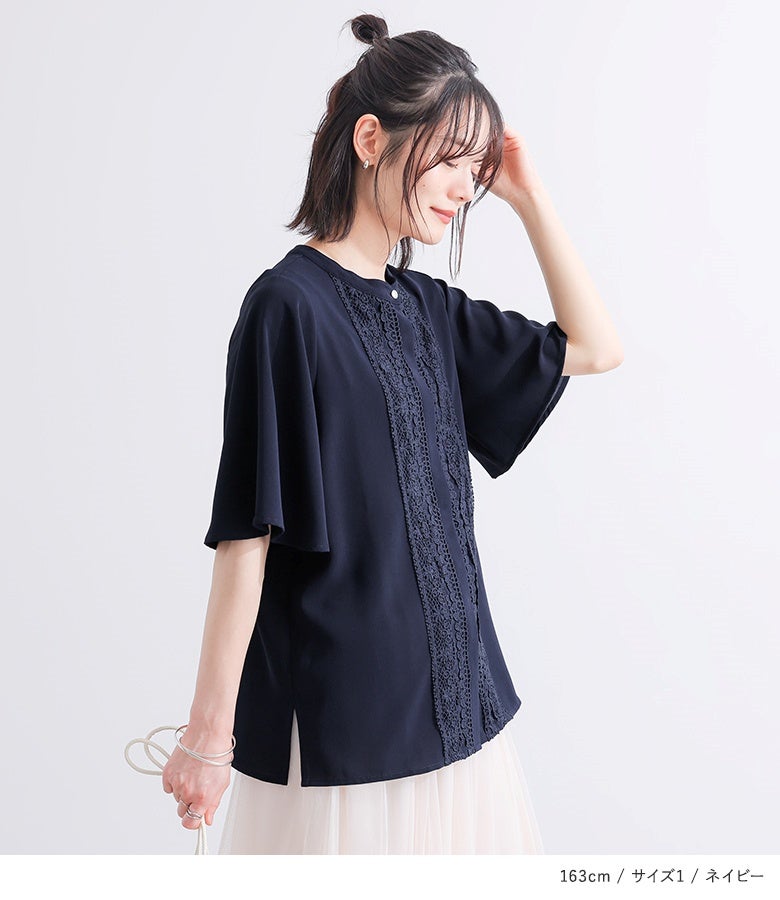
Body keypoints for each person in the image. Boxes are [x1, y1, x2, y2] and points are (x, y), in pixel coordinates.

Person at [161, 13, 623, 854]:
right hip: (348, 729)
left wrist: (529, 198)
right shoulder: (287, 307)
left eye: (476, 170)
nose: (465, 188)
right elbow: (247, 534)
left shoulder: (427, 309)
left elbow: (595, 347)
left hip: (461, 714)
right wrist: (208, 736)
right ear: (371, 139)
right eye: (449, 161)